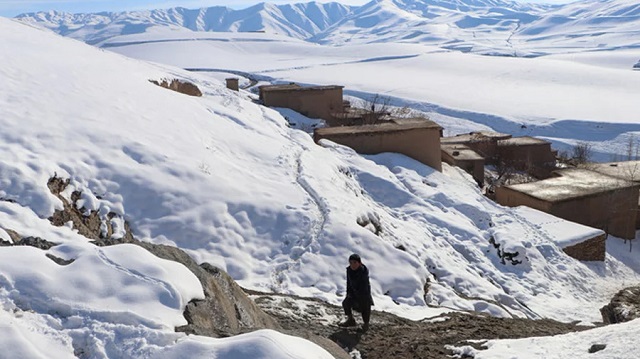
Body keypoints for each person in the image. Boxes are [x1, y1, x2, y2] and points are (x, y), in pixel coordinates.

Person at [338, 253, 374, 331]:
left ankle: (366, 325)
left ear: (359, 263)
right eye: (351, 263)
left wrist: (359, 298)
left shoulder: (363, 272)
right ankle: (350, 320)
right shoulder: (349, 270)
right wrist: (348, 294)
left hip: (364, 294)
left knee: (365, 308)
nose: (352, 265)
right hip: (353, 293)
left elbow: (364, 287)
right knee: (345, 303)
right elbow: (349, 283)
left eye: (355, 262)